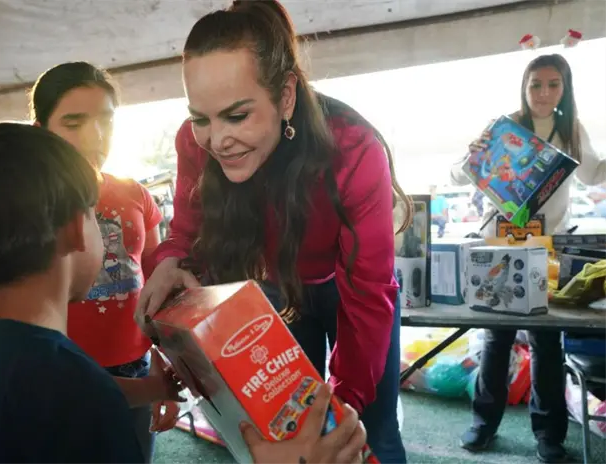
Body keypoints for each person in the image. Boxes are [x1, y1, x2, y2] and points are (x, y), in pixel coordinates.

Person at [0, 122, 369, 464]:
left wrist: (151, 387)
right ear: (76, 229)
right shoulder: (78, 390)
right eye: (94, 215)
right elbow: (79, 394)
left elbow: (60, 390)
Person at [135, 1, 413, 461]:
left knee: (362, 429)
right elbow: (186, 228)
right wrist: (170, 261)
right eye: (201, 117)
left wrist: (341, 407)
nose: (216, 139)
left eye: (237, 115)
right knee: (281, 424)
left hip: (354, 292)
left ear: (286, 96)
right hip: (279, 291)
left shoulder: (353, 149)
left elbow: (367, 291)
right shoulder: (194, 142)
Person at [451, 53, 606, 463]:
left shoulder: (571, 130)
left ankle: (549, 435)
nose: (543, 92)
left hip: (546, 251)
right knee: (496, 339)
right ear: (524, 86)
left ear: (564, 89)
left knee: (546, 344)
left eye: (553, 84)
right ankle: (484, 424)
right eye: (536, 83)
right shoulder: (506, 127)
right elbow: (457, 173)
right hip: (499, 246)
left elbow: (595, 174)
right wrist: (473, 155)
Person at [29, 62, 178, 462]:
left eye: (105, 121)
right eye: (73, 123)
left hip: (136, 363)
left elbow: (155, 284)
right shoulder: (25, 203)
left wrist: (161, 365)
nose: (95, 136)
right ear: (42, 130)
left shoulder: (135, 193)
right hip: (63, 370)